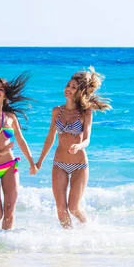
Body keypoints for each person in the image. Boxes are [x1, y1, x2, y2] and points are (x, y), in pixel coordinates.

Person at [35, 67, 111, 229]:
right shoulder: (56, 111)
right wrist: (40, 161)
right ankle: (69, 244)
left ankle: (90, 231)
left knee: (74, 208)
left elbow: (87, 139)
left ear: (80, 92)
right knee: (61, 209)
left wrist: (78, 146)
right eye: (68, 85)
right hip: (59, 164)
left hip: (79, 165)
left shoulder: (85, 113)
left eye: (73, 87)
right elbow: (50, 138)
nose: (68, 89)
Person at [0, 72, 38, 230]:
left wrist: (32, 163)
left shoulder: (11, 117)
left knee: (10, 212)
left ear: (5, 95)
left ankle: (4, 252)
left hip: (10, 166)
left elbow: (21, 140)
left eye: (0, 89)